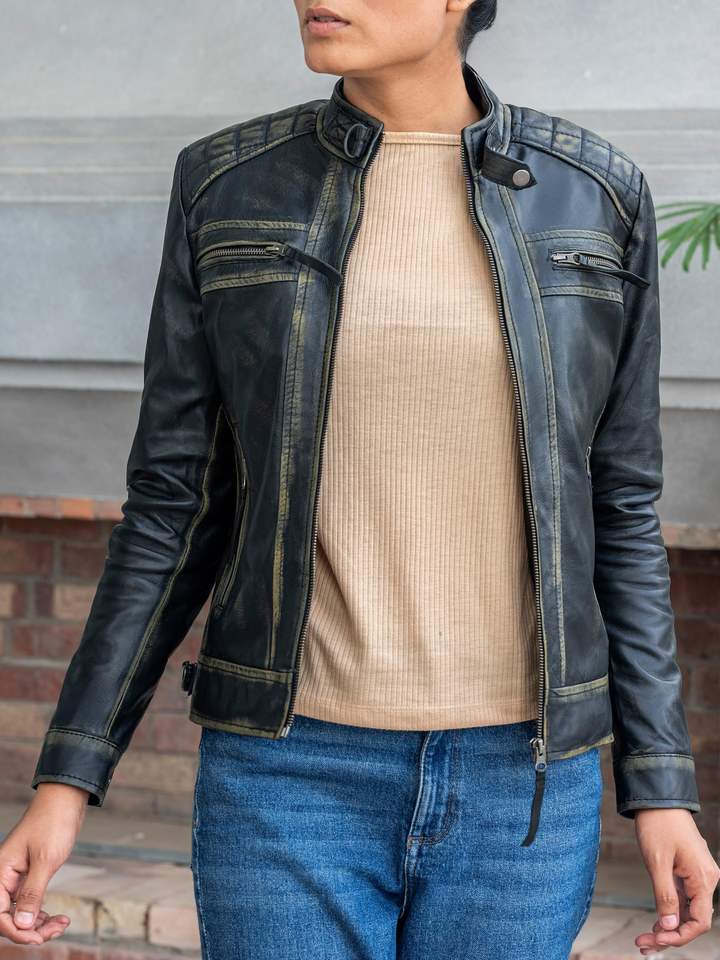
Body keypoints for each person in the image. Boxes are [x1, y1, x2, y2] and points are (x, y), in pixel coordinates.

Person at [1, 2, 718, 958]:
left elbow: (620, 508)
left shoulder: (595, 194)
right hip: (286, 770)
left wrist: (662, 785)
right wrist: (68, 776)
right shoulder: (228, 184)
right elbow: (172, 504)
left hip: (523, 783)